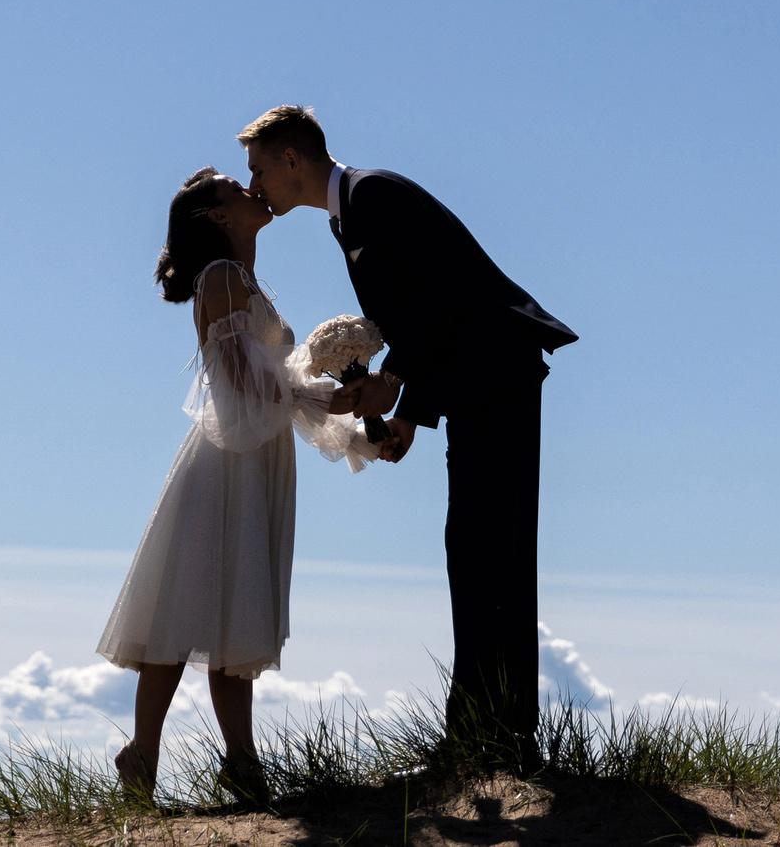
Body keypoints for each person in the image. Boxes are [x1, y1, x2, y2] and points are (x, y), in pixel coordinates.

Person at [238, 106, 577, 764]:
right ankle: (489, 729)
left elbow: (446, 296)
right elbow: (427, 311)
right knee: (474, 546)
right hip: (475, 382)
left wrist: (395, 382)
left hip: (498, 374)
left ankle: (496, 734)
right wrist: (410, 411)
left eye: (258, 169)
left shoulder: (374, 194)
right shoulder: (348, 215)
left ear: (290, 160)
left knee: (492, 546)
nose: (255, 185)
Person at [95, 167, 371, 801]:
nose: (252, 191)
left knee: (234, 612)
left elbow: (276, 386)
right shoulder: (219, 279)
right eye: (234, 188)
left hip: (260, 453)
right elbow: (245, 388)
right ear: (218, 216)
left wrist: (350, 427)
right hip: (228, 459)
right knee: (190, 604)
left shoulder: (244, 280)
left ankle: (237, 761)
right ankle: (151, 755)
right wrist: (329, 399)